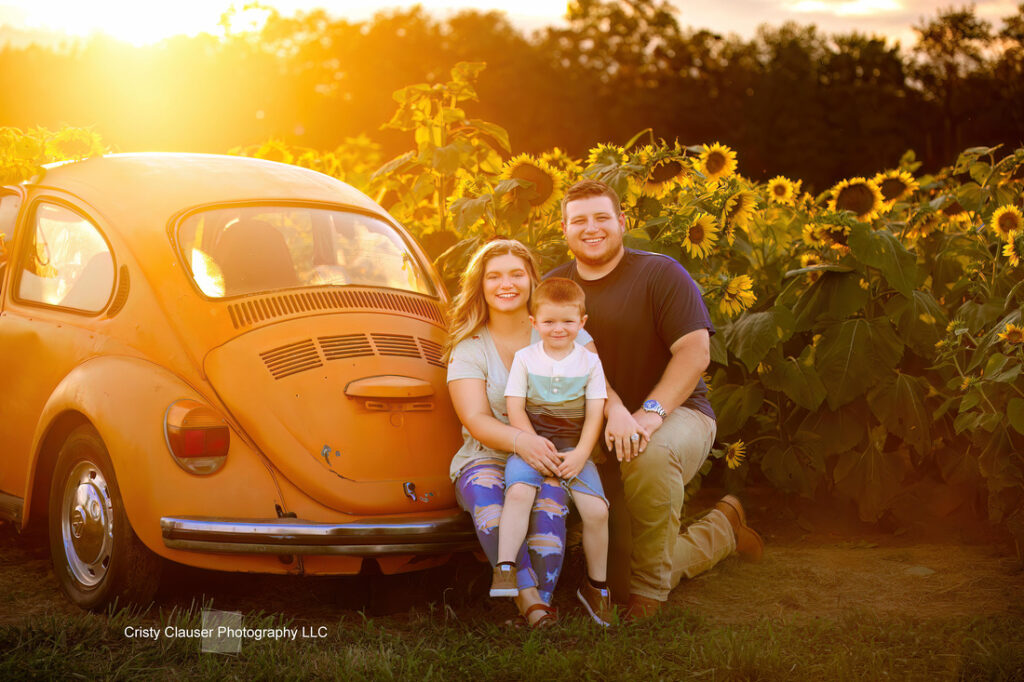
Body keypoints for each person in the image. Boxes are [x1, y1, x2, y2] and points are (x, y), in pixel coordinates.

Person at [547, 179, 764, 619]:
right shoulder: (553, 287)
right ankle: (724, 528)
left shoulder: (660, 273)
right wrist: (609, 416)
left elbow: (695, 352)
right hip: (600, 427)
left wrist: (648, 414)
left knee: (649, 456)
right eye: (579, 220)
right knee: (618, 573)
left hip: (676, 414)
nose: (592, 228)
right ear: (565, 229)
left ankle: (650, 595)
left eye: (602, 217)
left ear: (622, 222)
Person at [445, 239, 594, 628]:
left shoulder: (562, 331)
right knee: (491, 506)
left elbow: (598, 390)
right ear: (481, 285)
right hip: (487, 455)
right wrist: (521, 441)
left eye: (516, 273)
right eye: (493, 276)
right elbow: (476, 418)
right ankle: (531, 603)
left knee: (547, 509)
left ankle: (539, 605)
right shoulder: (469, 348)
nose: (505, 284)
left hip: (551, 453)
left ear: (532, 280)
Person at [490, 277, 612, 626]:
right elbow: (515, 409)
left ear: (582, 323)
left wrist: (581, 454)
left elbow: (594, 415)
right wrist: (531, 446)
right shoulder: (526, 359)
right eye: (549, 322)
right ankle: (506, 567)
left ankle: (596, 586)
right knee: (518, 493)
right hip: (531, 443)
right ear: (534, 323)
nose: (558, 329)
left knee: (597, 511)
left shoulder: (589, 363)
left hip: (574, 449)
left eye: (568, 321)